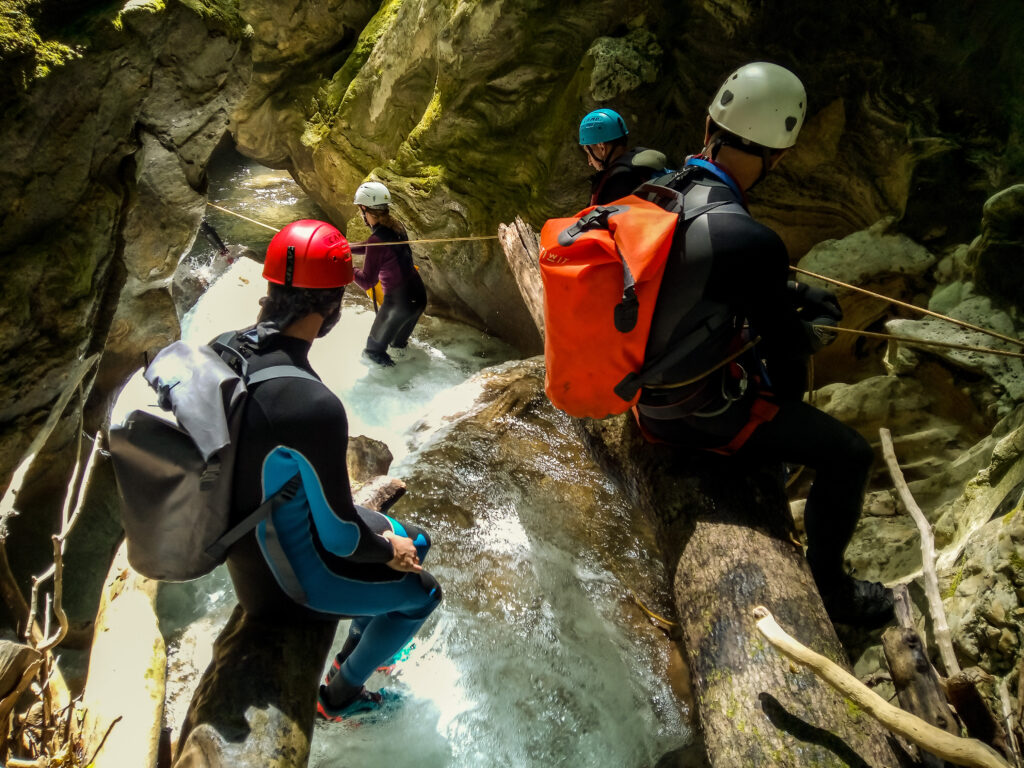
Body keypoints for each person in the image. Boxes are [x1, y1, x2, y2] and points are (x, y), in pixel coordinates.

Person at [635, 62, 894, 628]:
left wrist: (792, 291)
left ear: (710, 123)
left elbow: (696, 273)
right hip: (692, 417)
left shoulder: (658, 190)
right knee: (848, 455)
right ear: (778, 156)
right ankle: (833, 591)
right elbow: (787, 354)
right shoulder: (751, 238)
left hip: (640, 394)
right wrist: (806, 328)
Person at [222, 218, 442, 721]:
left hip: (245, 538)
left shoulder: (228, 347)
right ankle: (340, 694)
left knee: (419, 540)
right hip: (279, 581)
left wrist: (394, 546)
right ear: (332, 306)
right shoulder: (310, 403)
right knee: (424, 593)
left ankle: (362, 648)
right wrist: (389, 550)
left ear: (274, 286)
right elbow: (342, 538)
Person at [349, 181, 427, 367]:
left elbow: (368, 281)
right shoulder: (396, 227)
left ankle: (391, 390)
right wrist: (343, 247)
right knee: (397, 348)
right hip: (418, 299)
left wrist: (346, 268)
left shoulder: (377, 239)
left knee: (373, 354)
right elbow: (372, 248)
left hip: (398, 304)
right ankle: (406, 386)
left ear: (363, 208)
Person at [579, 108, 670, 205]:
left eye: (589, 152)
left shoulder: (617, 182)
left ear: (601, 147)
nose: (589, 162)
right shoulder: (641, 160)